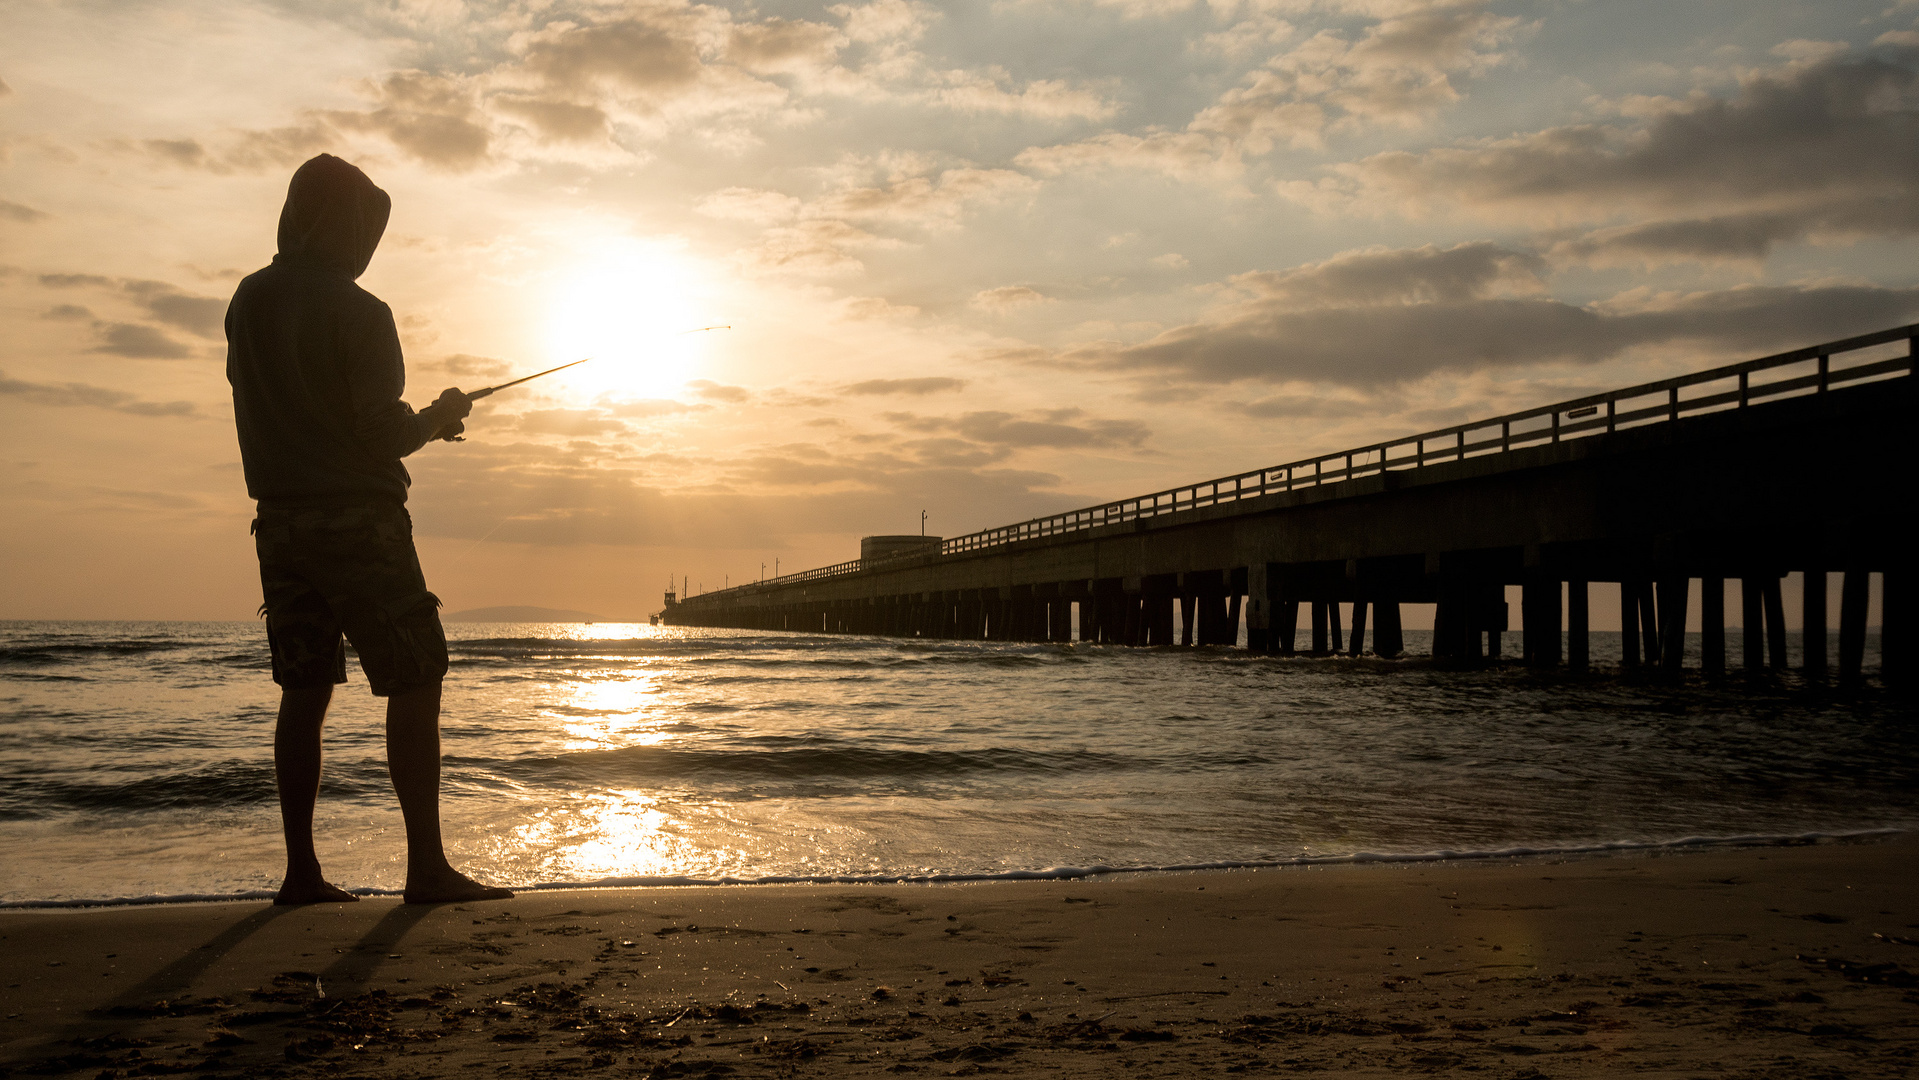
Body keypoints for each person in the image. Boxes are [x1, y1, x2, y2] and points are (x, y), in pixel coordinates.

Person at [226, 153, 511, 905]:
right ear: (341, 224)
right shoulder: (360, 311)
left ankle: (302, 875)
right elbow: (379, 432)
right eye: (362, 225)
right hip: (360, 522)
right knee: (417, 675)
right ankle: (426, 870)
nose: (366, 243)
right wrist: (440, 418)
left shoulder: (247, 301)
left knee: (305, 688)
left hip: (278, 526)